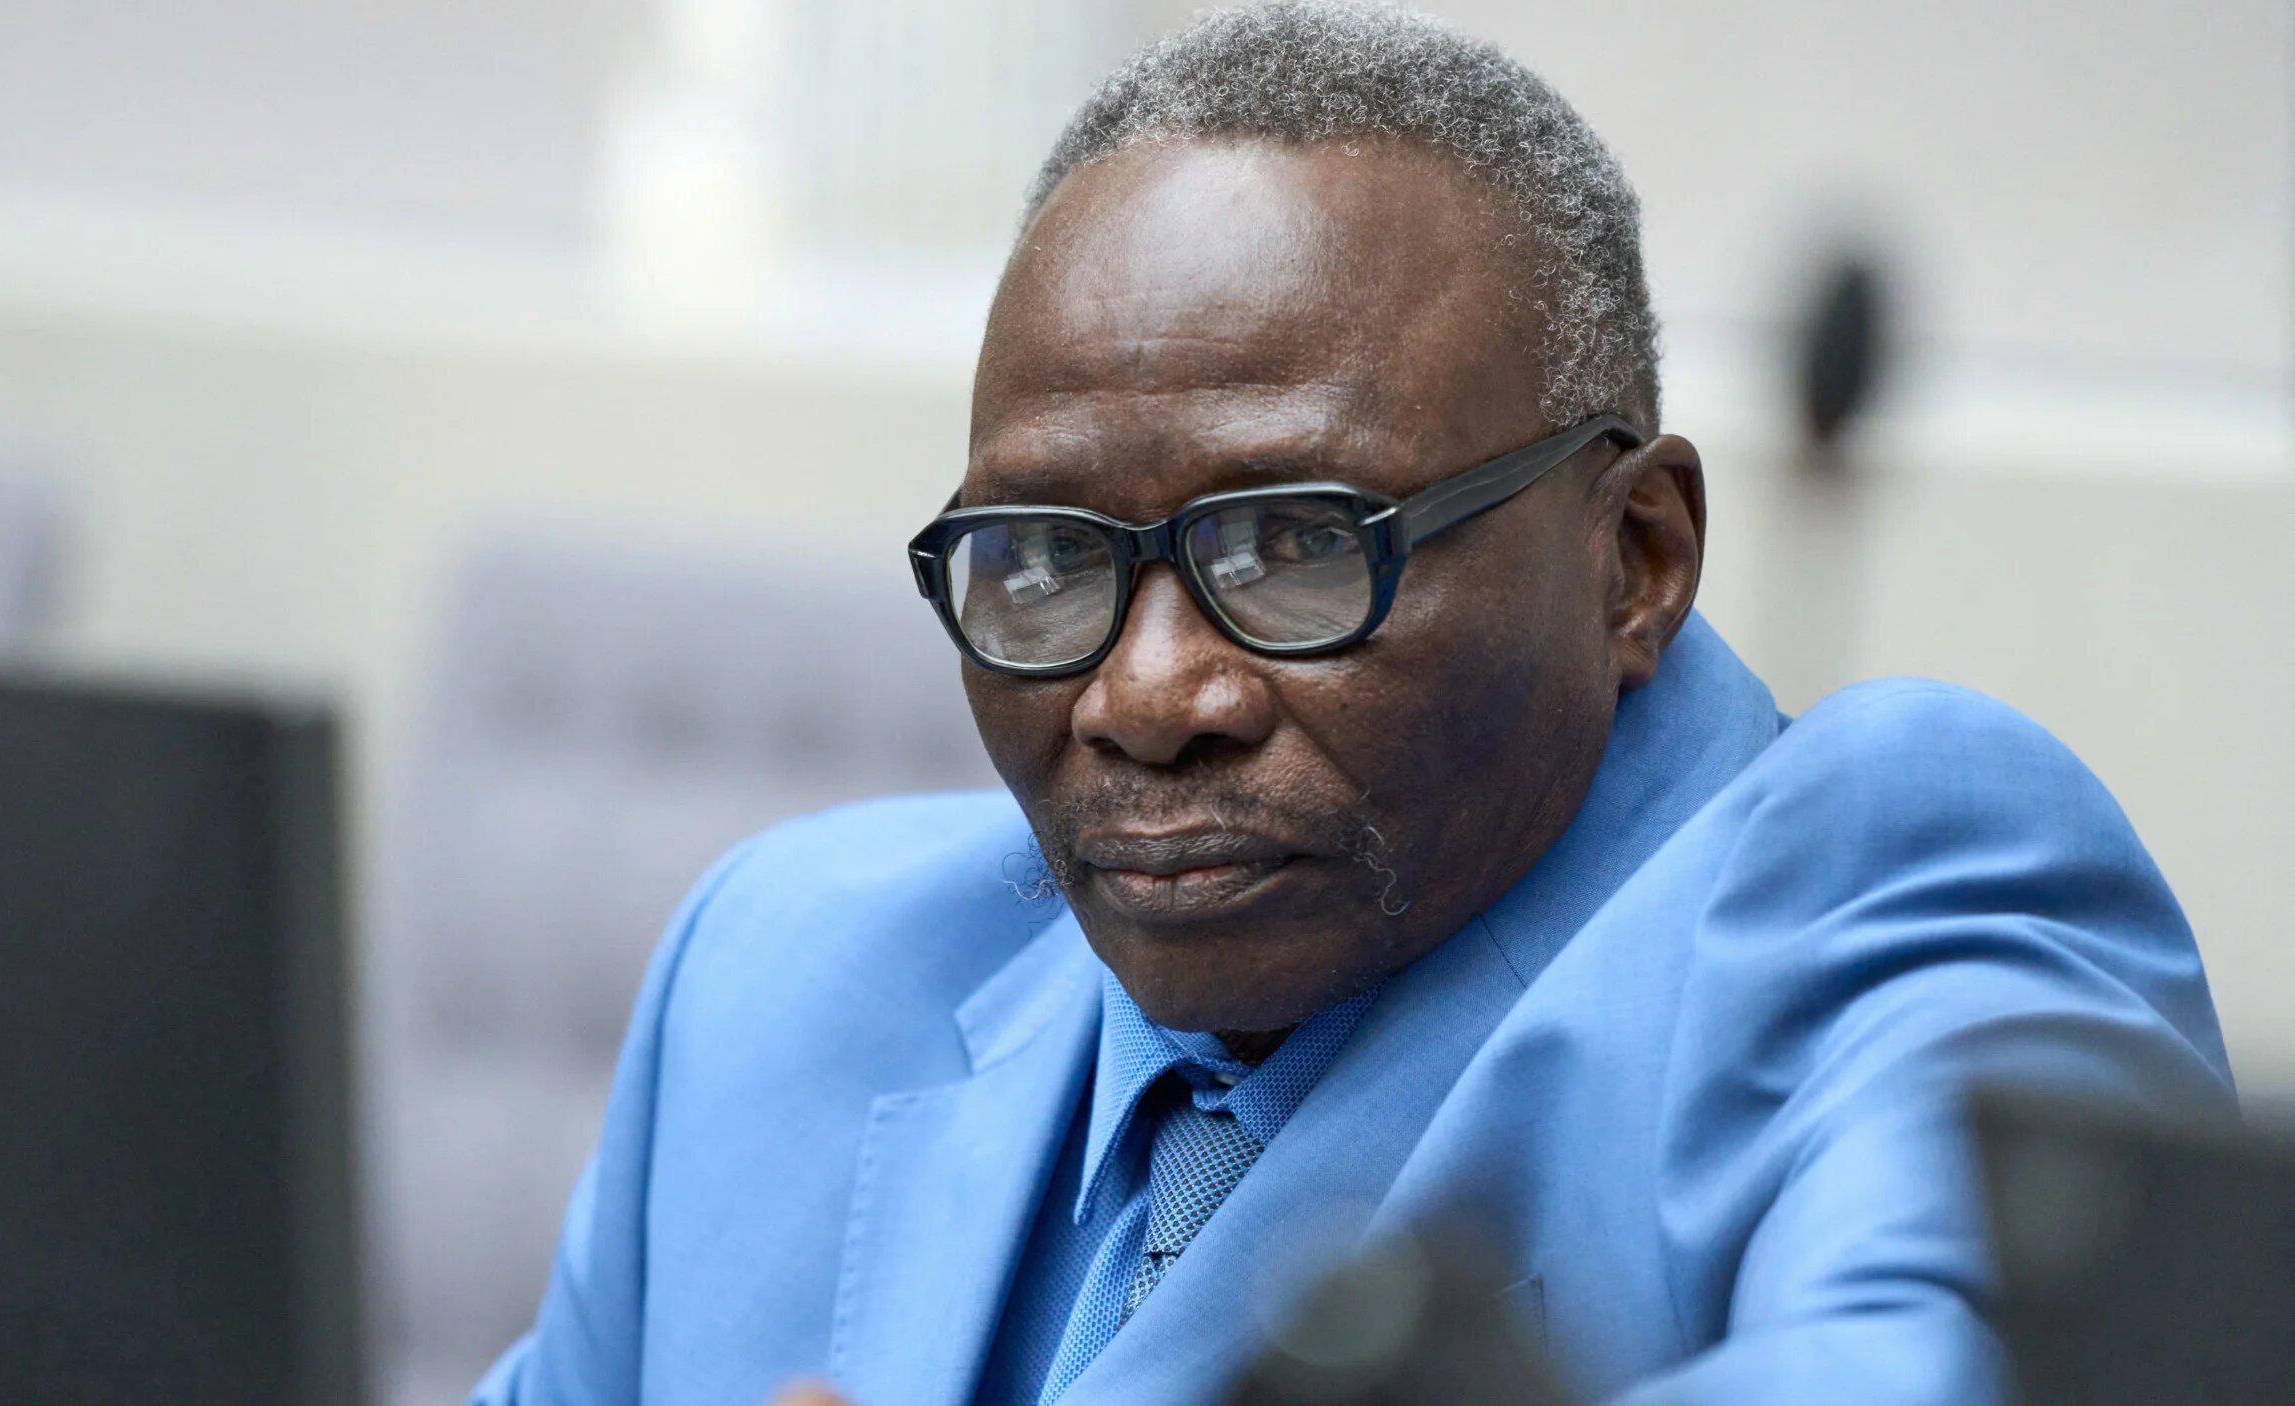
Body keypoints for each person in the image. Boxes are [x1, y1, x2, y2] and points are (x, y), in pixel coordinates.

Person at [470, 4, 2233, 1403]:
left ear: (1637, 553)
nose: (1149, 695)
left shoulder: (1873, 882)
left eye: (1301, 548)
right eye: (1046, 563)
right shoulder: (779, 978)